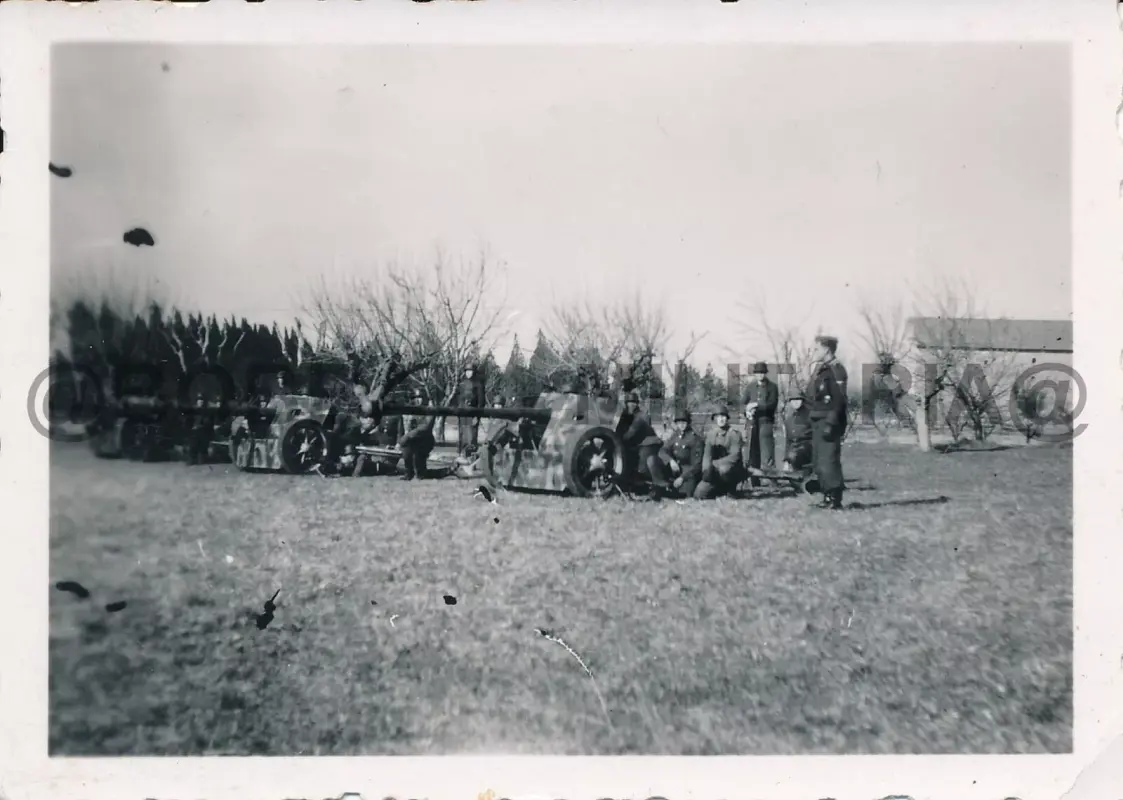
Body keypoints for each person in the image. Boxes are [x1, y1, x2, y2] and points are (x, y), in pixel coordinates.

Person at [805, 335, 848, 510]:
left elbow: (840, 400)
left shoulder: (836, 369)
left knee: (829, 460)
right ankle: (826, 495)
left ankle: (834, 498)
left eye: (816, 349)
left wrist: (831, 423)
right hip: (818, 420)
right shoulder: (820, 370)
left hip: (829, 421)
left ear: (826, 350)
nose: (813, 352)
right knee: (819, 460)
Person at [650, 409, 704, 499]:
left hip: (688, 472)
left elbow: (697, 465)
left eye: (684, 422)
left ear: (688, 423)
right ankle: (661, 486)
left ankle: (664, 490)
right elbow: (662, 451)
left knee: (684, 494)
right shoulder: (675, 435)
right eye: (679, 422)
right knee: (652, 459)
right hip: (675, 469)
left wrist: (682, 478)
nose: (681, 425)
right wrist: (670, 461)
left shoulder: (695, 439)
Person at [694, 405, 745, 499]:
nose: (721, 419)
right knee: (699, 494)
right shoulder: (711, 434)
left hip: (731, 469)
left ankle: (730, 490)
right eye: (718, 417)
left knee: (724, 469)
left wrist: (715, 464)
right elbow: (707, 455)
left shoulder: (734, 434)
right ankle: (719, 490)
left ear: (727, 418)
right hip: (714, 470)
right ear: (714, 419)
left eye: (723, 416)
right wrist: (706, 470)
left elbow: (735, 456)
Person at [618, 391, 664, 496]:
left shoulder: (641, 416)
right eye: (629, 402)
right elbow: (620, 430)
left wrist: (616, 440)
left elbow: (629, 434)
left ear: (637, 404)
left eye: (634, 402)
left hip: (648, 444)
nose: (631, 405)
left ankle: (647, 486)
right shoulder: (625, 416)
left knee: (642, 469)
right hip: (637, 444)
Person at [743, 361, 780, 485]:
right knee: (752, 451)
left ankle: (772, 480)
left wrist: (757, 405)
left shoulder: (772, 387)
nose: (760, 375)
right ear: (755, 374)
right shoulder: (750, 387)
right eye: (758, 373)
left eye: (762, 373)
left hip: (766, 422)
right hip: (752, 422)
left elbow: (772, 405)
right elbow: (743, 403)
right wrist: (746, 412)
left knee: (767, 452)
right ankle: (754, 480)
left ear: (765, 374)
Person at [398, 387, 436, 481]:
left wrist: (407, 436)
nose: (418, 400)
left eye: (420, 397)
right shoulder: (412, 410)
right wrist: (402, 439)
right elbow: (406, 426)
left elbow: (425, 427)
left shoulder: (430, 410)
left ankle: (444, 471)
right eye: (415, 398)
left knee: (419, 465)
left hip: (425, 440)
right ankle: (409, 473)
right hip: (413, 440)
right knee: (406, 452)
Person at [453, 364, 486, 456]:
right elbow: (458, 399)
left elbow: (481, 402)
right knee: (462, 435)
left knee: (471, 436)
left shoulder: (478, 384)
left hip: (472, 414)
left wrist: (477, 415)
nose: (468, 373)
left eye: (470, 371)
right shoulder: (462, 384)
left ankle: (470, 456)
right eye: (466, 371)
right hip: (462, 414)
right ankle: (461, 454)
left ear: (474, 372)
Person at [782, 392, 814, 473]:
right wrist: (786, 460)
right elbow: (788, 441)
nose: (795, 402)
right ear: (790, 402)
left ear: (802, 401)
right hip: (794, 450)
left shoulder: (810, 415)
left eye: (798, 399)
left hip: (808, 448)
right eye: (793, 400)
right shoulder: (789, 420)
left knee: (795, 456)